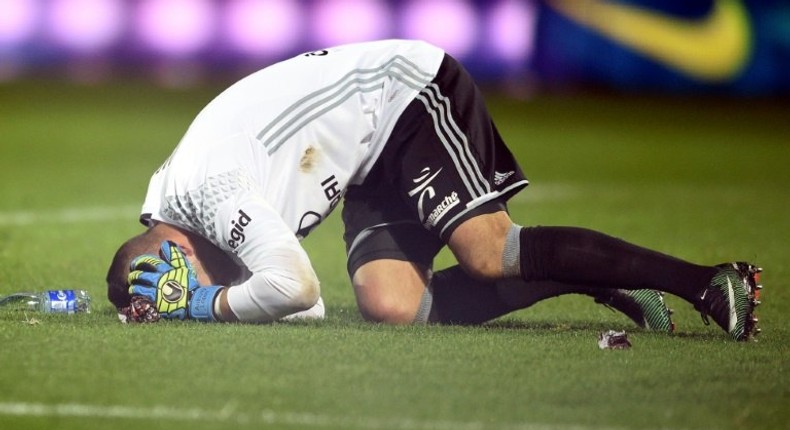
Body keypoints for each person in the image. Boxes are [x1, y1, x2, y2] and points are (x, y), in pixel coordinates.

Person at [105, 39, 762, 340]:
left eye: (174, 284)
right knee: (394, 305)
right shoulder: (181, 213)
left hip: (403, 95)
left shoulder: (213, 193)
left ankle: (706, 282)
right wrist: (218, 297)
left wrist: (204, 307)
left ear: (169, 252)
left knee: (488, 251)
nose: (185, 289)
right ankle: (587, 276)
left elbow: (296, 290)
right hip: (365, 153)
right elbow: (294, 307)